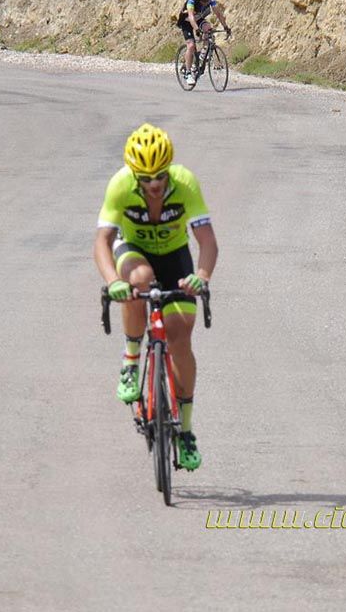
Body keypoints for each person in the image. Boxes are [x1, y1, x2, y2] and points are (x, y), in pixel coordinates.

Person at [93, 123, 218, 471]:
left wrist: (202, 276)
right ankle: (131, 360)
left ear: (168, 170)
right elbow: (102, 242)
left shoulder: (185, 182)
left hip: (175, 255)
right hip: (133, 251)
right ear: (134, 174)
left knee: (180, 337)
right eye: (145, 178)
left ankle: (186, 430)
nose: (154, 184)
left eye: (160, 176)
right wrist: (111, 280)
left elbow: (207, 240)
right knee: (140, 280)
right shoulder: (120, 185)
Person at [176, 0, 232, 89]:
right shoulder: (191, 0)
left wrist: (226, 27)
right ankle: (188, 73)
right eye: (202, 1)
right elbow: (191, 17)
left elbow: (219, 14)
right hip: (187, 21)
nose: (204, 3)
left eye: (206, 1)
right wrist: (197, 30)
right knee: (191, 46)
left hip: (199, 18)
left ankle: (202, 55)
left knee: (209, 30)